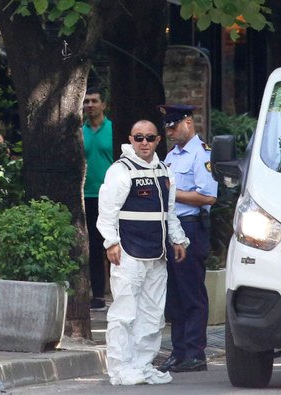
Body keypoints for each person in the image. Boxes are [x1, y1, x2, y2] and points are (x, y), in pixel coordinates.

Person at [97, 120, 190, 386]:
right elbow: (106, 211)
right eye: (139, 138)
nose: (145, 143)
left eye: (150, 138)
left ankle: (142, 364)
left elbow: (169, 213)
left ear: (158, 140)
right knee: (124, 313)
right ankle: (120, 368)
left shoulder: (164, 171)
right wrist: (111, 243)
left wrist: (178, 239)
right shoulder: (120, 170)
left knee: (152, 314)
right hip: (129, 252)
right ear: (131, 138)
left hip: (157, 254)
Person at [156, 104, 218, 373]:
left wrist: (172, 192)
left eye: (174, 126)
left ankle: (195, 352)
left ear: (188, 123)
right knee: (174, 296)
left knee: (191, 293)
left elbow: (208, 197)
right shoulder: (171, 156)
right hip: (171, 227)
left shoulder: (202, 155)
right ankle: (179, 352)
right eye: (167, 127)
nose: (169, 131)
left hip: (191, 227)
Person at [82, 87, 113, 311]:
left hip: (111, 196)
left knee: (113, 243)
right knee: (93, 246)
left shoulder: (113, 129)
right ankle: (98, 295)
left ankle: (118, 291)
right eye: (86, 102)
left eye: (94, 101)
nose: (90, 105)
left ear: (103, 105)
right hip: (87, 195)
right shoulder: (78, 130)